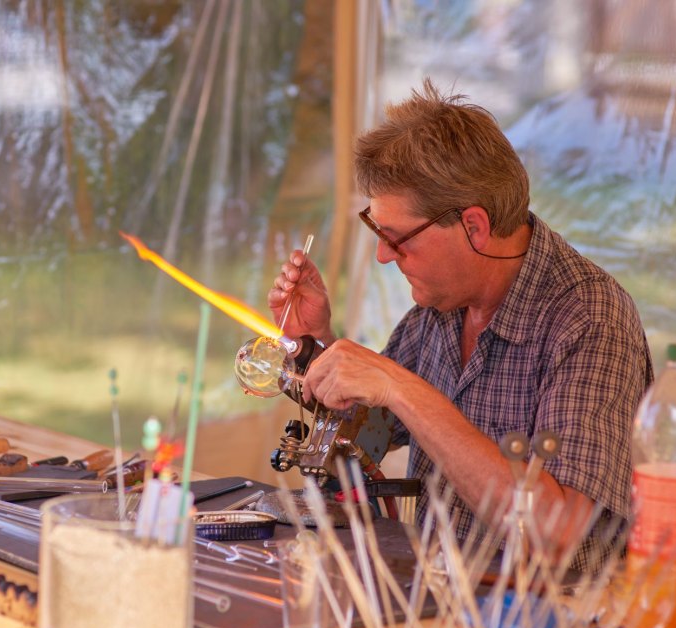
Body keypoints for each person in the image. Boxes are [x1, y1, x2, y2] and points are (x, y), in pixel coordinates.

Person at [267, 78, 653, 569]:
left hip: (545, 606)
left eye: (397, 237)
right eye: (376, 231)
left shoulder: (589, 320)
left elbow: (558, 534)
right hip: (435, 594)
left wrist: (401, 387)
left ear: (474, 226)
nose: (384, 255)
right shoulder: (442, 307)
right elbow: (370, 430)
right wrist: (315, 343)